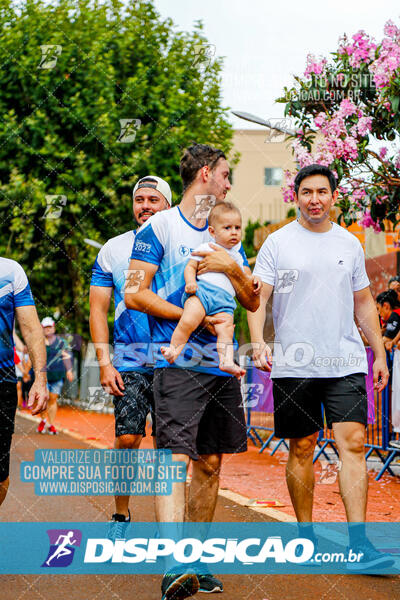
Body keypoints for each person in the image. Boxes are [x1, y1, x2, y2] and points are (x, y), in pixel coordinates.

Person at [125, 144, 259, 599]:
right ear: (206, 173)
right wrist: (195, 318)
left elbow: (252, 300)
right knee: (173, 460)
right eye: (225, 175)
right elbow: (133, 294)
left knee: (211, 462)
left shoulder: (228, 230)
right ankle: (172, 566)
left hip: (220, 366)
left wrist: (232, 270)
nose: (228, 183)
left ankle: (197, 563)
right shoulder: (160, 226)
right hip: (178, 361)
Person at [248, 163, 393, 572]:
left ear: (333, 197)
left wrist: (378, 353)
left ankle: (360, 545)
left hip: (345, 361)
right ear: (296, 197)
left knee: (353, 445)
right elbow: (258, 299)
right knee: (302, 447)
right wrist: (259, 341)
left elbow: (364, 303)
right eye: (307, 192)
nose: (315, 199)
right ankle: (305, 536)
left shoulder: (349, 244)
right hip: (295, 364)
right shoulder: (277, 243)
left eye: (322, 192)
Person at [90, 175, 171, 538]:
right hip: (131, 358)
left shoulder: (182, 241)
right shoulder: (113, 248)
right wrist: (105, 362)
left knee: (172, 446)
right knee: (127, 438)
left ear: (167, 205)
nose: (145, 205)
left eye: (154, 199)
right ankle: (121, 515)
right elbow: (97, 309)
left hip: (176, 358)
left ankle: (172, 523)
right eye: (140, 199)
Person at [161, 201, 258, 379]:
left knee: (226, 330)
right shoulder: (206, 248)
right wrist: (190, 283)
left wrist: (255, 280)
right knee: (188, 321)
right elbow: (190, 267)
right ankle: (173, 350)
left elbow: (246, 277)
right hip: (202, 294)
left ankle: (226, 360)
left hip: (225, 303)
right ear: (212, 232)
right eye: (227, 228)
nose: (234, 232)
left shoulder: (237, 254)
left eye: (237, 227)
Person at [0, 257, 48, 507]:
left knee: (0, 475)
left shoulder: (11, 270)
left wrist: (40, 378)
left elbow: (30, 328)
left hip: (2, 379)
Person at [37, 317, 74, 435]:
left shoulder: (61, 342)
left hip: (57, 375)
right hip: (43, 377)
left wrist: (69, 370)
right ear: (42, 329)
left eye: (49, 327)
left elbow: (66, 356)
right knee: (44, 398)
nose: (48, 329)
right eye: (45, 327)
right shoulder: (39, 342)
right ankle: (43, 421)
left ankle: (51, 424)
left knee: (53, 399)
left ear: (53, 327)